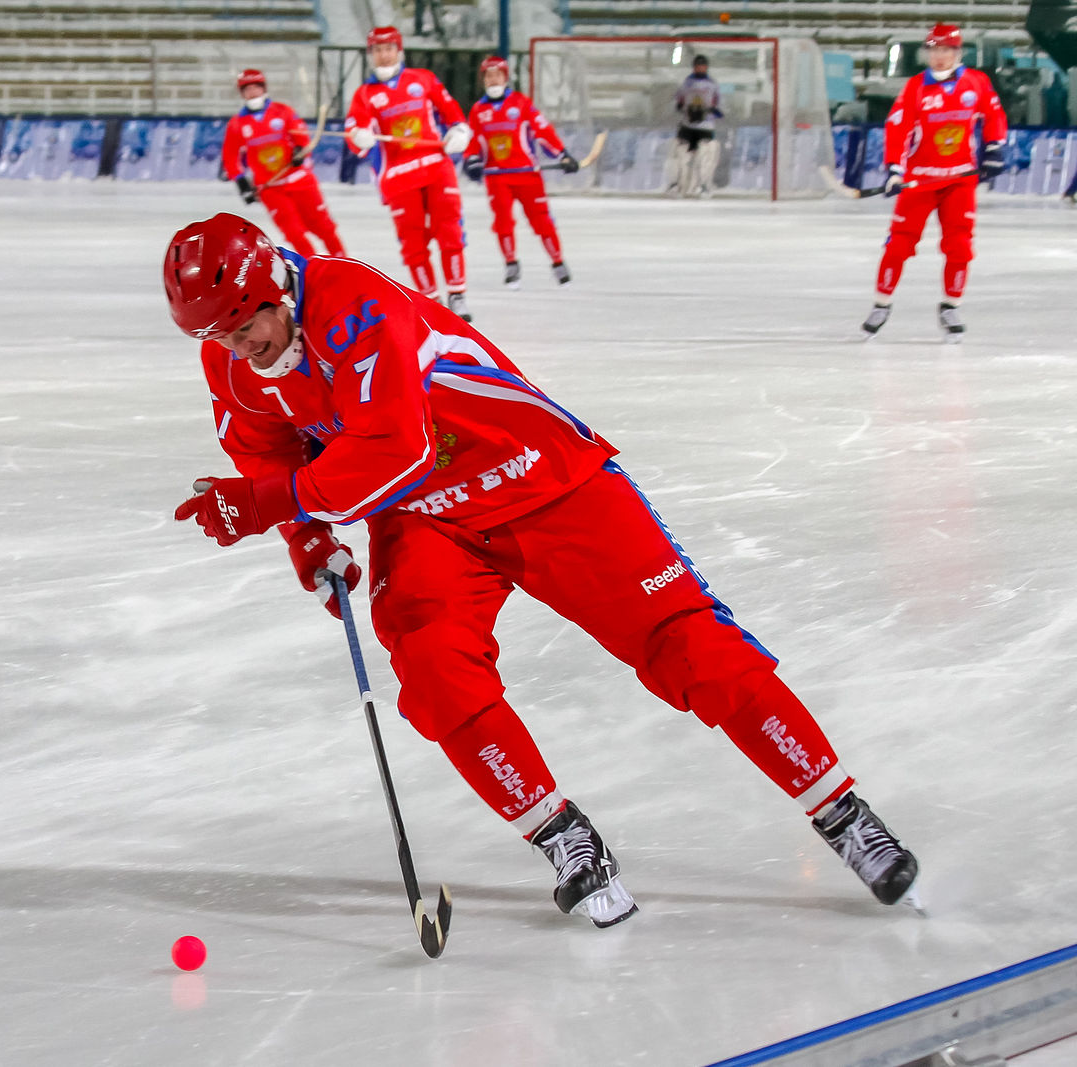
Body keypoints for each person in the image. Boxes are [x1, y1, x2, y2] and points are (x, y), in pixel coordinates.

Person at [165, 212, 920, 928]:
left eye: (245, 325)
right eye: (218, 336)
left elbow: (397, 450)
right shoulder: (231, 361)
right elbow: (266, 453)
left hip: (545, 478)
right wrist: (305, 537)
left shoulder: (353, 304)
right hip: (428, 520)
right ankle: (560, 833)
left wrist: (267, 505)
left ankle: (841, 811)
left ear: (274, 287)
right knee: (432, 668)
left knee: (688, 646)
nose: (239, 346)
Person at [861, 23, 1006, 343]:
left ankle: (951, 306)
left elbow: (994, 115)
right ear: (927, 52)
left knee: (960, 246)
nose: (940, 56)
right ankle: (881, 304)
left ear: (957, 52)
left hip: (960, 180)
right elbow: (898, 127)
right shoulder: (915, 87)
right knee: (898, 245)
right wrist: (895, 170)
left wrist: (995, 148)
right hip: (921, 179)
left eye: (947, 50)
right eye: (935, 49)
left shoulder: (976, 82)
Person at [344, 26, 475, 321]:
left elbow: (450, 109)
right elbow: (354, 133)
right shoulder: (365, 94)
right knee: (413, 245)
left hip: (436, 167)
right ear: (371, 54)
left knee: (450, 231)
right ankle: (432, 302)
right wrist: (359, 137)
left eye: (389, 48)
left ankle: (457, 294)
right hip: (398, 177)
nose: (384, 55)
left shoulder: (422, 79)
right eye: (378, 50)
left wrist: (460, 129)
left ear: (399, 51)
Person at [461, 55, 578, 289]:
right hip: (497, 177)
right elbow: (473, 142)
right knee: (503, 223)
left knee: (542, 221)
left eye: (497, 75)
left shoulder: (521, 103)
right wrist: (470, 161)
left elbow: (542, 131)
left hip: (527, 175)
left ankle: (557, 262)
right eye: (489, 76)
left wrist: (562, 154)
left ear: (506, 77)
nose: (493, 80)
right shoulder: (478, 110)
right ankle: (511, 264)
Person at [220, 69, 345, 259]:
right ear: (242, 93)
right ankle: (313, 269)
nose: (252, 93)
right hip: (271, 189)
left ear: (263, 88)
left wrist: (299, 151)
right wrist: (241, 183)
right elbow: (230, 157)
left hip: (300, 181)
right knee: (294, 233)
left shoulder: (283, 112)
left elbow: (301, 137)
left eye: (256, 87)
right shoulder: (237, 124)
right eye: (247, 89)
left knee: (324, 228)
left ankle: (345, 263)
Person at [667, 55, 723, 198]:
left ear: (706, 67)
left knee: (706, 155)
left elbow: (718, 105)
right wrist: (684, 109)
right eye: (698, 65)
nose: (700, 68)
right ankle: (677, 184)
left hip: (706, 126)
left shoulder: (712, 84)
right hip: (688, 125)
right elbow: (679, 101)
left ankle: (703, 185)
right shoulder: (686, 83)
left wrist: (711, 111)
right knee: (680, 154)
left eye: (702, 65)